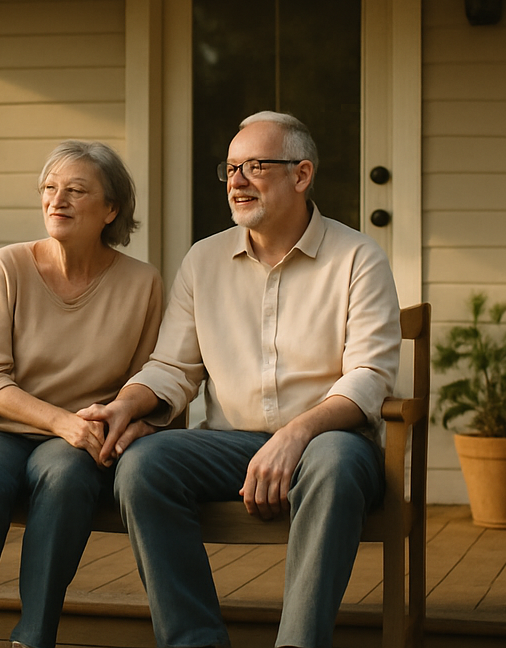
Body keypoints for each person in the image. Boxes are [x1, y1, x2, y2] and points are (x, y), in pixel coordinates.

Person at [81, 111, 401, 648]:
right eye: (230, 168)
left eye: (254, 166)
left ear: (301, 175)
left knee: (335, 463)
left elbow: (369, 376)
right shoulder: (203, 260)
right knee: (143, 465)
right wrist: (125, 405)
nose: (236, 181)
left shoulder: (358, 258)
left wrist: (295, 434)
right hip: (229, 444)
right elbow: (171, 368)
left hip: (330, 444)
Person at [0, 140, 163, 648]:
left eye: (76, 190)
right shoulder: (7, 266)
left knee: (65, 481)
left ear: (111, 209)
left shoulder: (143, 283)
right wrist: (62, 421)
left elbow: (147, 377)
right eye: (49, 188)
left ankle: (33, 639)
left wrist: (125, 420)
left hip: (80, 439)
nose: (56, 200)